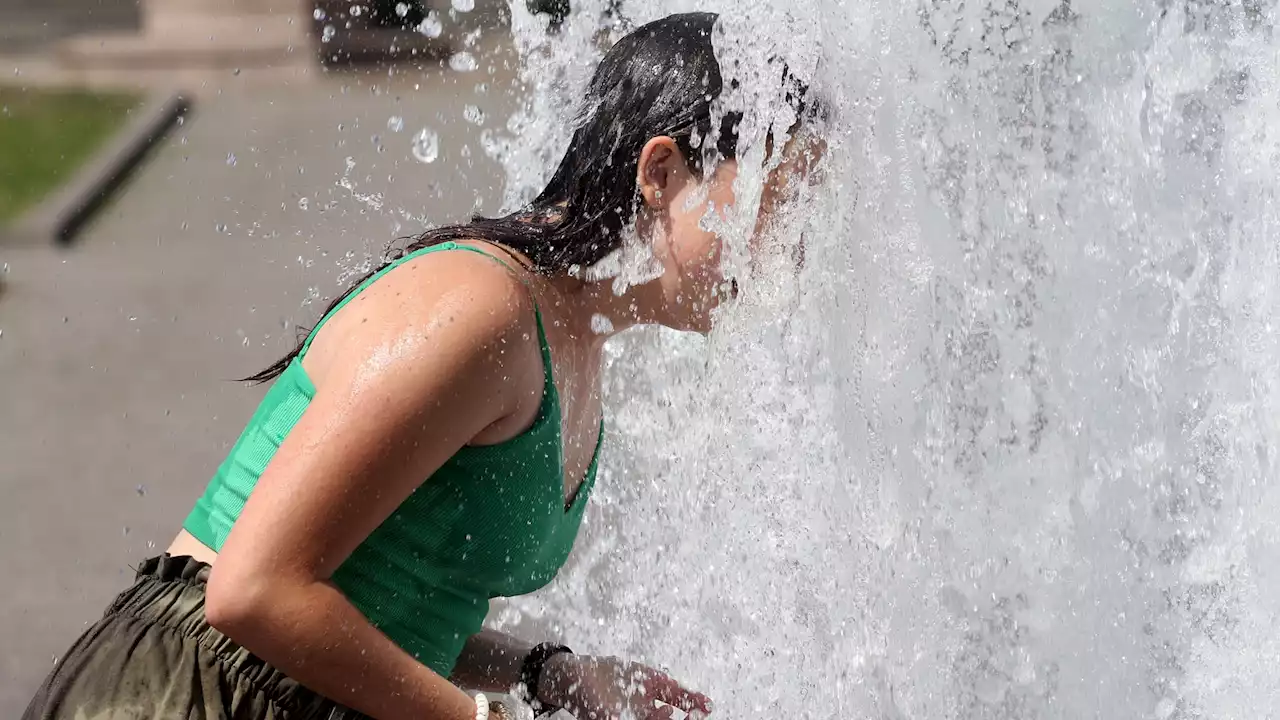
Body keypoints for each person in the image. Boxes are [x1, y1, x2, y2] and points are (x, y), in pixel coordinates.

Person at [23, 11, 823, 720]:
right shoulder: (481, 307)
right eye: (773, 196)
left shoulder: (574, 351)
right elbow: (253, 590)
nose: (789, 242)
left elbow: (395, 604)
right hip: (192, 695)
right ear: (658, 174)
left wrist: (551, 675)